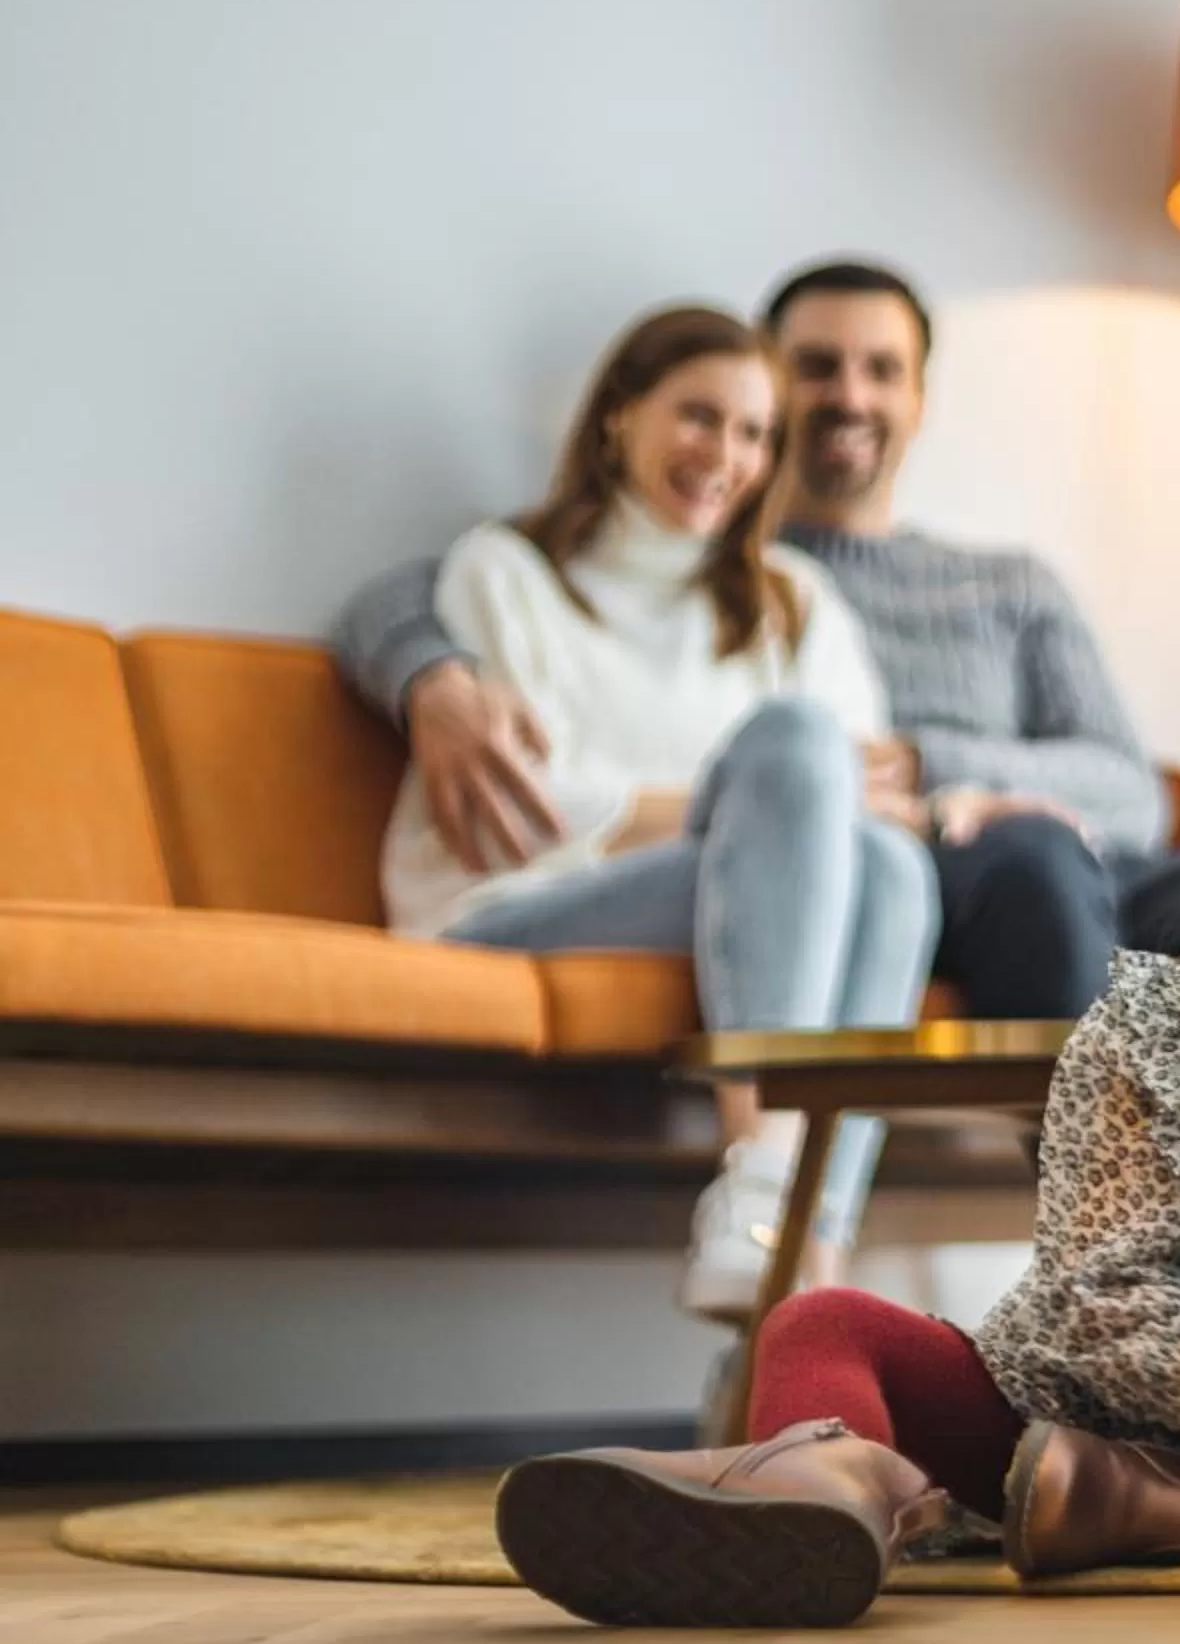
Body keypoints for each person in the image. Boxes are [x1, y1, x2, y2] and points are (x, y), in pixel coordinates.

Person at [489, 637, 1180, 1629]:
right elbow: (1097, 1300)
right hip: (1058, 1441)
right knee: (824, 1321)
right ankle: (830, 1491)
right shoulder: (1158, 1031)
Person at [337, 258, 1180, 1022]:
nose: (850, 396)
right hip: (953, 870)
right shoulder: (725, 574)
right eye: (817, 368)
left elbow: (1132, 794)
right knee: (1002, 868)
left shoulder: (998, 585)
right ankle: (1090, 1207)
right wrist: (430, 677)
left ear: (920, 398)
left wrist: (937, 772)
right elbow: (416, 593)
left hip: (1014, 838)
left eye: (882, 369)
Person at [378, 304, 936, 1321]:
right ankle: (769, 1180)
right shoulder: (503, 571)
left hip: (708, 897)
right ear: (618, 418)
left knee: (895, 867)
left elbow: (871, 805)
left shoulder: (795, 599)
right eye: (699, 416)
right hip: (512, 905)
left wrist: (779, 818)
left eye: (757, 433)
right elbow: (532, 809)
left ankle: (798, 1260)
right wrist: (756, 813)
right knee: (794, 748)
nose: (726, 453)